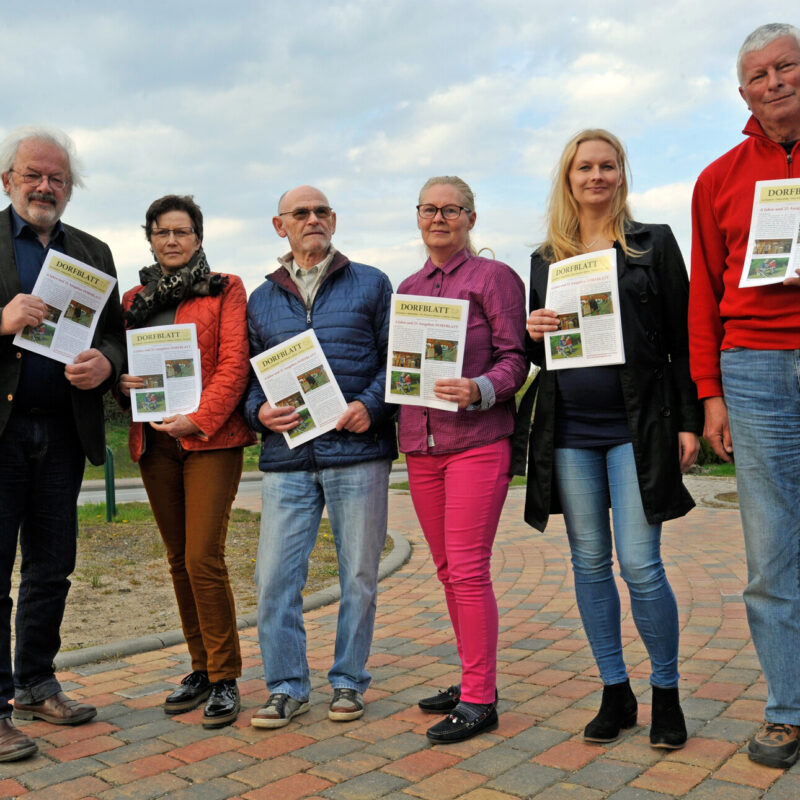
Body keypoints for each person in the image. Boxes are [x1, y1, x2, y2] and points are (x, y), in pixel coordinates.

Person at [521, 130, 702, 750]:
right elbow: (538, 353)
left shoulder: (654, 243)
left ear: (621, 174)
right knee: (589, 563)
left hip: (638, 425)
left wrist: (689, 420)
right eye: (585, 167)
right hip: (569, 428)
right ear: (568, 178)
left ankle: (667, 692)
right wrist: (534, 329)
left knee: (640, 563)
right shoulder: (547, 257)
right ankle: (614, 690)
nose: (596, 176)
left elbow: (681, 336)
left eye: (607, 166)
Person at [689, 23, 800, 769]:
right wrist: (711, 394)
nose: (774, 82)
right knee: (771, 549)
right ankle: (788, 708)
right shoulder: (718, 177)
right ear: (743, 94)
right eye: (758, 75)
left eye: (786, 66)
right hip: (753, 369)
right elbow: (703, 290)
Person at [245, 185, 396, 728]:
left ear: (334, 219)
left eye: (321, 211)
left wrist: (370, 407)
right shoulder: (260, 299)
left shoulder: (372, 283)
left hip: (358, 452)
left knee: (359, 574)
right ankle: (286, 686)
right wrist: (258, 412)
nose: (313, 219)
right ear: (278, 224)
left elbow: (396, 364)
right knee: (274, 579)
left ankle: (349, 682)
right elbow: (249, 380)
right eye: (300, 213)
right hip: (288, 459)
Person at [0, 126, 125, 761]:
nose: (45, 186)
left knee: (52, 566)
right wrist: (1, 322)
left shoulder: (94, 251)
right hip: (2, 433)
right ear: (8, 180)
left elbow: (115, 337)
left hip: (64, 433)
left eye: (57, 178)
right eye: (33, 175)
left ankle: (35, 683)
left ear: (69, 189)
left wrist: (105, 363)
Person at [398, 176, 527, 743]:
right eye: (430, 209)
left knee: (469, 569)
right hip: (421, 444)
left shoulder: (494, 278)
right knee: (448, 569)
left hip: (476, 441)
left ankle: (479, 697)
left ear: (471, 218)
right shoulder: (409, 286)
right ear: (418, 217)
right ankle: (473, 676)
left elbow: (515, 359)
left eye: (452, 209)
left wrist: (479, 388)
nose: (440, 218)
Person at [117, 195, 254, 729]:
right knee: (178, 559)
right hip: (154, 443)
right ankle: (199, 669)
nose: (171, 240)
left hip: (210, 440)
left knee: (203, 557)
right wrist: (121, 383)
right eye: (161, 232)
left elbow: (233, 364)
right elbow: (120, 364)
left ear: (199, 237)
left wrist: (199, 418)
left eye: (182, 231)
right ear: (149, 238)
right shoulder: (134, 299)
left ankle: (224, 677)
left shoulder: (226, 288)